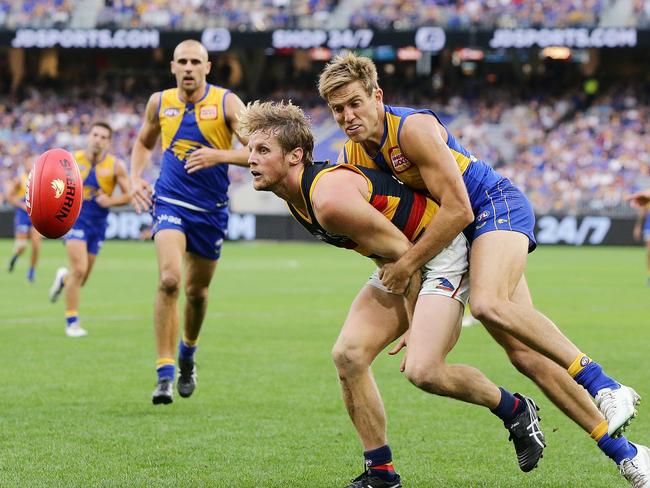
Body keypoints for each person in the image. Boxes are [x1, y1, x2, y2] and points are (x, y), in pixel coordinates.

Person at [318, 52, 649, 486]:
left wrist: (407, 268)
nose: (346, 115)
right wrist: (414, 310)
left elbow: (457, 209)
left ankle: (604, 384)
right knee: (527, 355)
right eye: (337, 109)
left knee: (491, 304)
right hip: (457, 239)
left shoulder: (412, 128)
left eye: (354, 103)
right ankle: (628, 453)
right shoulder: (353, 153)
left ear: (377, 96)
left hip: (493, 208)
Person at [240, 100, 548, 487]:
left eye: (262, 151)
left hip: (441, 251)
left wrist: (413, 318)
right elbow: (386, 252)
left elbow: (406, 257)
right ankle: (381, 473)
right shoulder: (298, 198)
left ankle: (516, 409)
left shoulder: (327, 199)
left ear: (295, 156)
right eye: (250, 150)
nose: (250, 159)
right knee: (349, 355)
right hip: (404, 260)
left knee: (424, 370)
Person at [129, 39, 249, 405]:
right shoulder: (159, 103)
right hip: (169, 201)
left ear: (207, 68)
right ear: (172, 66)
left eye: (195, 61)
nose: (188, 67)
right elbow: (143, 143)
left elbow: (257, 149)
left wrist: (219, 155)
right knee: (169, 280)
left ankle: (187, 354)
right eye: (182, 61)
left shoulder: (227, 102)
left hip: (210, 210)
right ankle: (164, 374)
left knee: (196, 294)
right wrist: (135, 178)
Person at [48, 122, 130, 337]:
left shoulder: (115, 166)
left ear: (108, 142)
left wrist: (111, 201)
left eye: (103, 137)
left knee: (81, 278)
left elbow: (128, 195)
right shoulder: (71, 160)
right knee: (80, 269)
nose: (98, 139)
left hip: (99, 225)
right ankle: (72, 322)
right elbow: (52, 187)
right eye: (95, 134)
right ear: (88, 136)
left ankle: (63, 280)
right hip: (75, 220)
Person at [5, 157, 41, 282]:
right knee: (22, 247)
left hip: (34, 216)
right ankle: (15, 257)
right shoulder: (19, 179)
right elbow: (9, 196)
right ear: (25, 164)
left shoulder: (39, 180)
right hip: (22, 215)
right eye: (30, 163)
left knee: (36, 244)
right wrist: (22, 205)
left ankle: (31, 271)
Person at [633, 203, 650, 286]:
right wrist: (638, 227)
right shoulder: (647, 198)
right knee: (649, 253)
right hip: (649, 227)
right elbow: (643, 213)